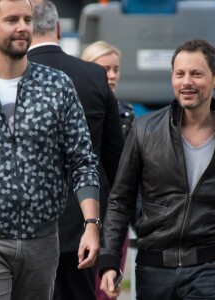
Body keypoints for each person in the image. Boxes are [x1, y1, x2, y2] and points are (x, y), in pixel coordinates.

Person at [0, 0, 100, 299]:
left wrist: (92, 224)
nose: (22, 27)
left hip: (42, 242)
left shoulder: (57, 86)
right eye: (12, 20)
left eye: (27, 19)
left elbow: (82, 159)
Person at [98, 38, 215, 300]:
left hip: (212, 267)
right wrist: (110, 260)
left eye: (196, 74)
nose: (186, 82)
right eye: (180, 74)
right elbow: (120, 201)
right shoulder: (144, 130)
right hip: (154, 267)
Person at [27, 1, 124, 300]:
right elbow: (113, 158)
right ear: (58, 28)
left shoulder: (13, 76)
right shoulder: (94, 76)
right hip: (81, 228)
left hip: (24, 225)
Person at [82, 40, 135, 300]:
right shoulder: (76, 114)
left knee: (108, 288)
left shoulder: (127, 114)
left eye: (116, 69)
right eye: (104, 69)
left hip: (114, 215)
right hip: (84, 213)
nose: (112, 76)